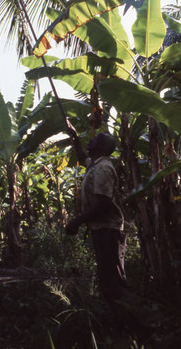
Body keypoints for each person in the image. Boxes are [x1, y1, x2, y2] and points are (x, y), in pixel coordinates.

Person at [65, 122, 129, 305]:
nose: (90, 140)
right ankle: (117, 319)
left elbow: (103, 205)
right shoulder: (95, 165)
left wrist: (76, 222)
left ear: (101, 147)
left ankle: (130, 321)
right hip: (102, 228)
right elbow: (82, 157)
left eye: (94, 139)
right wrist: (75, 138)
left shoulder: (103, 168)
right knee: (107, 275)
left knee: (114, 278)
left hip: (109, 230)